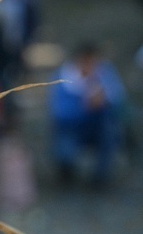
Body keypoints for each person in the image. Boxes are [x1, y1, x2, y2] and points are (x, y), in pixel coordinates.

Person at [50, 42, 125, 186]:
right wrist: (85, 106)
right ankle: (66, 174)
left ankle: (100, 178)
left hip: (98, 127)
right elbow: (59, 112)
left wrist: (105, 101)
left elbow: (119, 99)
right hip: (71, 128)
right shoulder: (63, 78)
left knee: (110, 133)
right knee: (65, 150)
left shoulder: (105, 73)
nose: (92, 67)